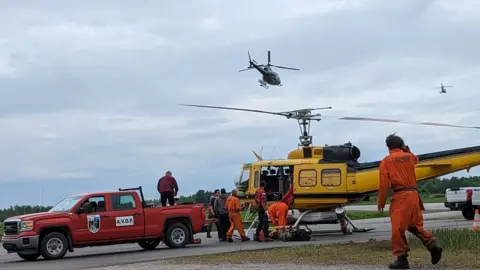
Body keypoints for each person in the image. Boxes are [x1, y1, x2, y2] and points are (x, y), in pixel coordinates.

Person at [378, 133, 443, 269]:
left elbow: (384, 184)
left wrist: (381, 202)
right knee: (414, 226)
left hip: (401, 197)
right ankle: (432, 246)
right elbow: (415, 159)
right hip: (414, 195)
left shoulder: (386, 161)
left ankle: (401, 259)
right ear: (401, 145)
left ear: (388, 147)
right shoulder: (410, 157)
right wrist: (406, 149)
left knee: (397, 229)